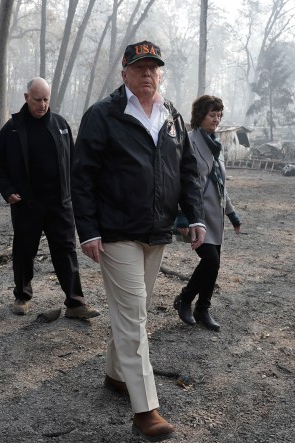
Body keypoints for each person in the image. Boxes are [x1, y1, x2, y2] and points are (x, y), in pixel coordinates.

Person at [71, 40, 205, 441]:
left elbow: (187, 171)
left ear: (160, 73)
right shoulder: (103, 115)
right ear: (125, 73)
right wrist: (89, 230)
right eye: (140, 67)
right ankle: (146, 409)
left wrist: (194, 215)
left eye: (154, 68)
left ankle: (116, 374)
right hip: (115, 233)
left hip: (156, 231)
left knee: (134, 310)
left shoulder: (172, 117)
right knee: (135, 317)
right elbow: (82, 176)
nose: (148, 74)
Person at [0, 78, 99, 320]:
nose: (42, 105)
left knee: (66, 250)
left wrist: (74, 195)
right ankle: (22, 296)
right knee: (24, 251)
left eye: (46, 99)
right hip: (26, 203)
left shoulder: (60, 125)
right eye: (37, 99)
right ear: (26, 97)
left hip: (59, 203)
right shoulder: (13, 128)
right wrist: (7, 190)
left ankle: (75, 303)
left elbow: (73, 162)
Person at [173, 95, 242, 332]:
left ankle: (203, 308)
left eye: (219, 115)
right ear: (200, 115)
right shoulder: (188, 141)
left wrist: (232, 215)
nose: (217, 119)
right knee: (210, 260)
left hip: (216, 215)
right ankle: (185, 298)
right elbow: (180, 181)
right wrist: (182, 215)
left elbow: (220, 183)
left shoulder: (216, 143)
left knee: (215, 265)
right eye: (212, 115)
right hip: (197, 215)